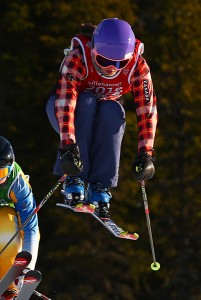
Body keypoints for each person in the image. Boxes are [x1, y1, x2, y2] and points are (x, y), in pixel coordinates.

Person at [46, 18, 158, 219]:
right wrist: (68, 146)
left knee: (113, 111)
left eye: (120, 63)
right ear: (93, 50)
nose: (112, 68)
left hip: (102, 111)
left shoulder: (137, 66)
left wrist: (146, 152)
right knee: (86, 103)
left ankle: (100, 185)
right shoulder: (78, 57)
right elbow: (66, 102)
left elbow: (147, 108)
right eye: (104, 61)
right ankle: (75, 178)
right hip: (65, 111)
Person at [0, 136, 40, 300]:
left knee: (8, 226)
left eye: (0, 172)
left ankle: (9, 285)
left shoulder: (17, 182)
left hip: (7, 221)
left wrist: (28, 266)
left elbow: (30, 227)